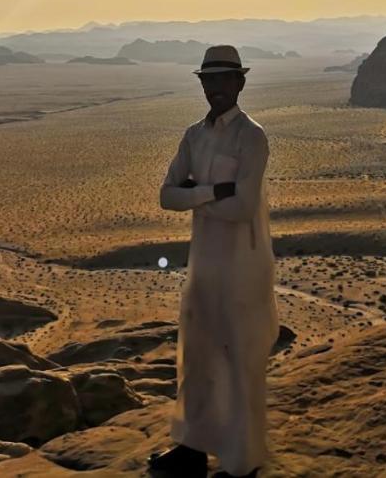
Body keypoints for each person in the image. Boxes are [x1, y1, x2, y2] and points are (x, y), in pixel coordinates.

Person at [148, 44, 280, 478]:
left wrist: (194, 197)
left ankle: (243, 464)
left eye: (224, 79)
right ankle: (191, 448)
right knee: (198, 354)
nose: (215, 88)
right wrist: (210, 193)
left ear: (240, 82)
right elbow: (168, 197)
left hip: (242, 268)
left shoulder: (251, 136)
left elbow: (242, 209)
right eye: (209, 80)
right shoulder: (194, 135)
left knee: (239, 359)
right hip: (203, 264)